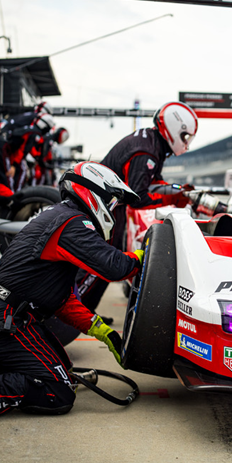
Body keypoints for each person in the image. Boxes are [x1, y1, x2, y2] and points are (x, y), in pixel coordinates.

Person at [0, 161, 145, 429]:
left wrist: (100, 330)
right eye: (111, 203)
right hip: (1, 319)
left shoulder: (61, 217)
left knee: (64, 370)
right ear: (94, 193)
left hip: (2, 316)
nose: (113, 211)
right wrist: (146, 255)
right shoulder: (73, 222)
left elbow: (60, 299)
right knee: (58, 392)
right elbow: (115, 267)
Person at [76, 101, 198, 314]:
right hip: (103, 207)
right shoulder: (147, 153)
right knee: (103, 261)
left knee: (105, 259)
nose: (186, 142)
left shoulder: (152, 144)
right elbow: (137, 197)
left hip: (107, 206)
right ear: (174, 128)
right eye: (185, 136)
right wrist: (171, 199)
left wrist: (177, 189)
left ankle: (85, 311)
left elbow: (154, 182)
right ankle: (77, 311)